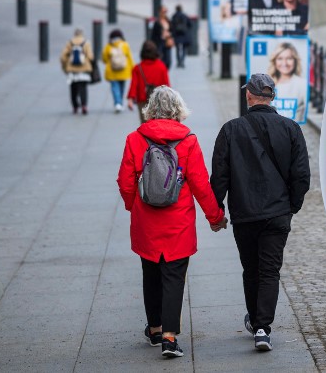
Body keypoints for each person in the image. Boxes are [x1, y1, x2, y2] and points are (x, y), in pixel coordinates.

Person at [116, 86, 227, 359]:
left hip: (147, 221)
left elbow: (125, 181)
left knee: (150, 274)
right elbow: (201, 184)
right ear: (178, 110)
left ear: (150, 109)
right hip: (178, 222)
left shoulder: (135, 138)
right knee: (174, 277)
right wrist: (215, 217)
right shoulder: (188, 141)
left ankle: (154, 328)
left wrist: (133, 206)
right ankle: (169, 337)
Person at [211, 73, 310, 352]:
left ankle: (256, 321)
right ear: (273, 97)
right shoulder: (291, 128)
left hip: (245, 212)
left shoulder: (231, 130)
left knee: (251, 269)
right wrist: (291, 206)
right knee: (270, 270)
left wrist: (216, 210)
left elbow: (219, 175)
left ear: (249, 96)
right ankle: (263, 328)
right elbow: (301, 174)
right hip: (277, 213)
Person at [127, 40, 170, 122]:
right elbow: (166, 84)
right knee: (158, 123)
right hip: (159, 100)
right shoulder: (161, 66)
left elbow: (134, 84)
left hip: (143, 99)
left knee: (145, 124)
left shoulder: (137, 68)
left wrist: (130, 99)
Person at [267, 42, 306, 123]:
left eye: (289, 58)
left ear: (295, 60)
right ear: (274, 61)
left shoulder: (302, 84)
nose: (284, 63)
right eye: (280, 58)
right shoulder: (267, 84)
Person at [60, 28, 94, 115]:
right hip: (84, 69)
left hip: (72, 70)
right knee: (83, 88)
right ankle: (84, 105)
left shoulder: (69, 42)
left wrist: (65, 66)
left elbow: (63, 57)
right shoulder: (86, 42)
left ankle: (75, 106)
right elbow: (90, 57)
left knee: (73, 89)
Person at [102, 29, 135, 113]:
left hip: (112, 71)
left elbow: (104, 59)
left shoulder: (108, 46)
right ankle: (120, 102)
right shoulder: (125, 45)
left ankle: (117, 103)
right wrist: (133, 68)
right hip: (124, 70)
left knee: (114, 87)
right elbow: (130, 57)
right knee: (121, 87)